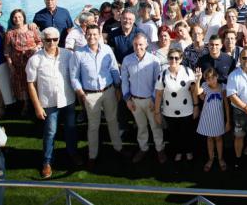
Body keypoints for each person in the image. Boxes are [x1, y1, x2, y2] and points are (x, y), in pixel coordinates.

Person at [26, 27, 81, 179]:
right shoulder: (35, 59)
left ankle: (73, 153)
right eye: (48, 39)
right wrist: (37, 106)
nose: (52, 42)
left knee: (71, 129)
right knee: (50, 132)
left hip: (68, 99)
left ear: (59, 39)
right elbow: (30, 84)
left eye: (55, 39)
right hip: (48, 103)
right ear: (42, 40)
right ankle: (47, 162)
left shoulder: (68, 55)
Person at [69, 25, 124, 168]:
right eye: (89, 34)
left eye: (94, 34)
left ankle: (118, 149)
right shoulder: (78, 54)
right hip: (90, 95)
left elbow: (114, 69)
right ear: (85, 35)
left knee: (112, 121)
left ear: (99, 35)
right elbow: (74, 77)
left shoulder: (107, 50)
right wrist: (81, 93)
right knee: (93, 126)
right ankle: (92, 155)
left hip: (109, 91)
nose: (92, 37)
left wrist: (118, 87)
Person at [121, 33, 165, 164]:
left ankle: (160, 149)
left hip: (150, 100)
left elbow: (158, 82)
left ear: (146, 44)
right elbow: (124, 82)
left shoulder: (154, 60)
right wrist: (127, 99)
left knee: (156, 126)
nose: (138, 47)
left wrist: (153, 99)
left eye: (141, 44)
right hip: (134, 101)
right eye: (135, 44)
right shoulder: (127, 60)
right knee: (141, 127)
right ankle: (143, 148)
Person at [154, 48, 198, 163]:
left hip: (187, 110)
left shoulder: (188, 72)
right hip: (169, 112)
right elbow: (158, 95)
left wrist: (196, 106)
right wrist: (157, 112)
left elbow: (193, 91)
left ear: (181, 59)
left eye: (176, 58)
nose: (173, 60)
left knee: (187, 133)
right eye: (171, 58)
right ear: (168, 59)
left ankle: (188, 151)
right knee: (174, 134)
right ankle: (178, 151)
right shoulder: (163, 74)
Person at [3, 9, 41, 116]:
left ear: (23, 17)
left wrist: (36, 47)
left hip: (32, 61)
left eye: (19, 17)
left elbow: (40, 41)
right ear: (12, 19)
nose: (17, 19)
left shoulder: (31, 29)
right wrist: (10, 65)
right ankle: (26, 104)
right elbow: (7, 51)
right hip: (18, 64)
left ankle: (38, 103)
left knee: (35, 81)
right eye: (15, 17)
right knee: (22, 84)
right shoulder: (9, 33)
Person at [195, 66, 231, 172]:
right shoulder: (205, 86)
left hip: (218, 118)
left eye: (212, 77)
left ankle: (220, 158)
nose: (210, 80)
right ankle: (211, 159)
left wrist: (228, 121)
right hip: (207, 117)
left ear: (217, 76)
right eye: (208, 78)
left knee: (219, 139)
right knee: (209, 138)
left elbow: (226, 105)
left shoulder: (223, 87)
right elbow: (198, 93)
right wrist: (198, 80)